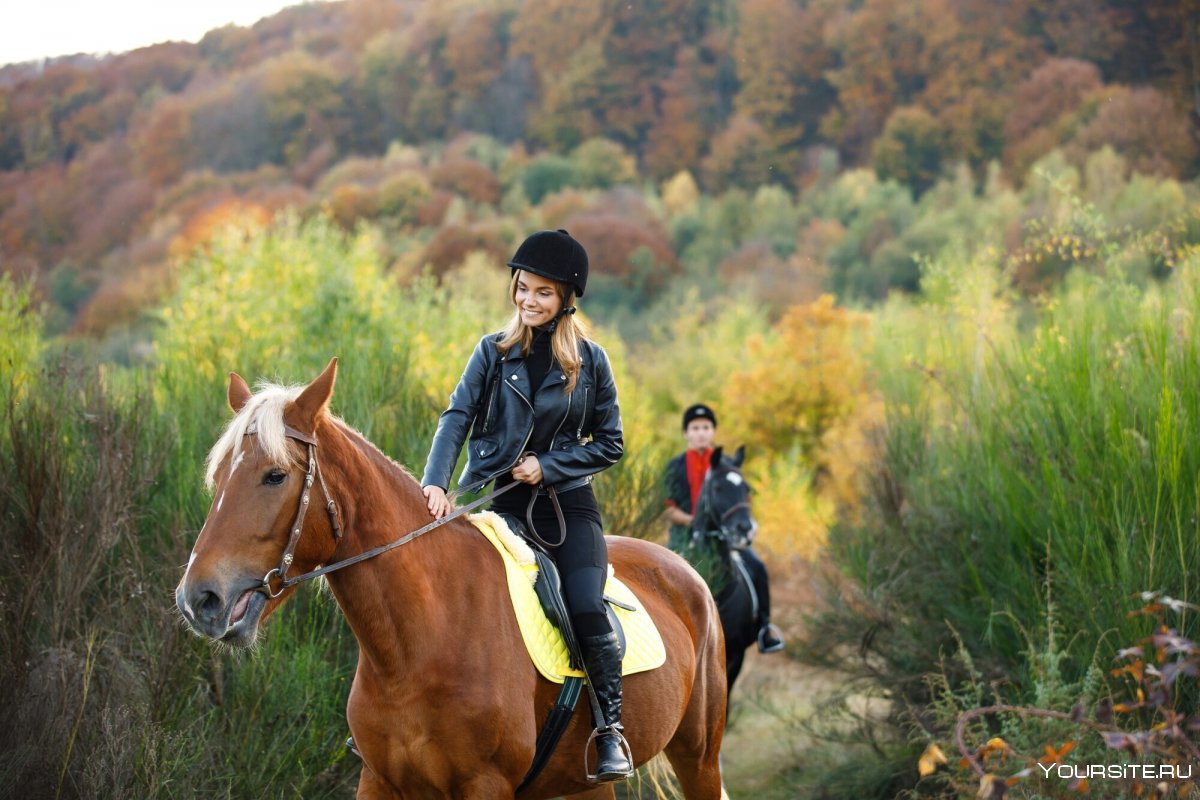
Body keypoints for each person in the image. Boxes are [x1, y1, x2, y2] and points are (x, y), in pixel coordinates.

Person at [421, 229, 633, 783]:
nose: (528, 301)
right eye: (522, 288)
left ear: (566, 298)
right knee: (432, 599)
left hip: (565, 510)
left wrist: (551, 466)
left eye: (543, 292)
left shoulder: (591, 361)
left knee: (585, 604)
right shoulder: (491, 352)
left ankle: (609, 730)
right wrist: (436, 484)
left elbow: (611, 443)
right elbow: (456, 418)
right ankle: (404, 716)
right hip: (491, 504)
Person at [663, 403, 785, 654]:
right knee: (660, 577)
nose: (701, 433)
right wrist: (693, 521)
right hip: (684, 540)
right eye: (695, 428)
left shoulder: (727, 465)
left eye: (706, 427)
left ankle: (764, 628)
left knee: (758, 568)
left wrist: (741, 527)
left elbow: (741, 502)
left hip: (722, 541)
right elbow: (667, 508)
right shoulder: (674, 467)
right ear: (686, 433)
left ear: (713, 431)